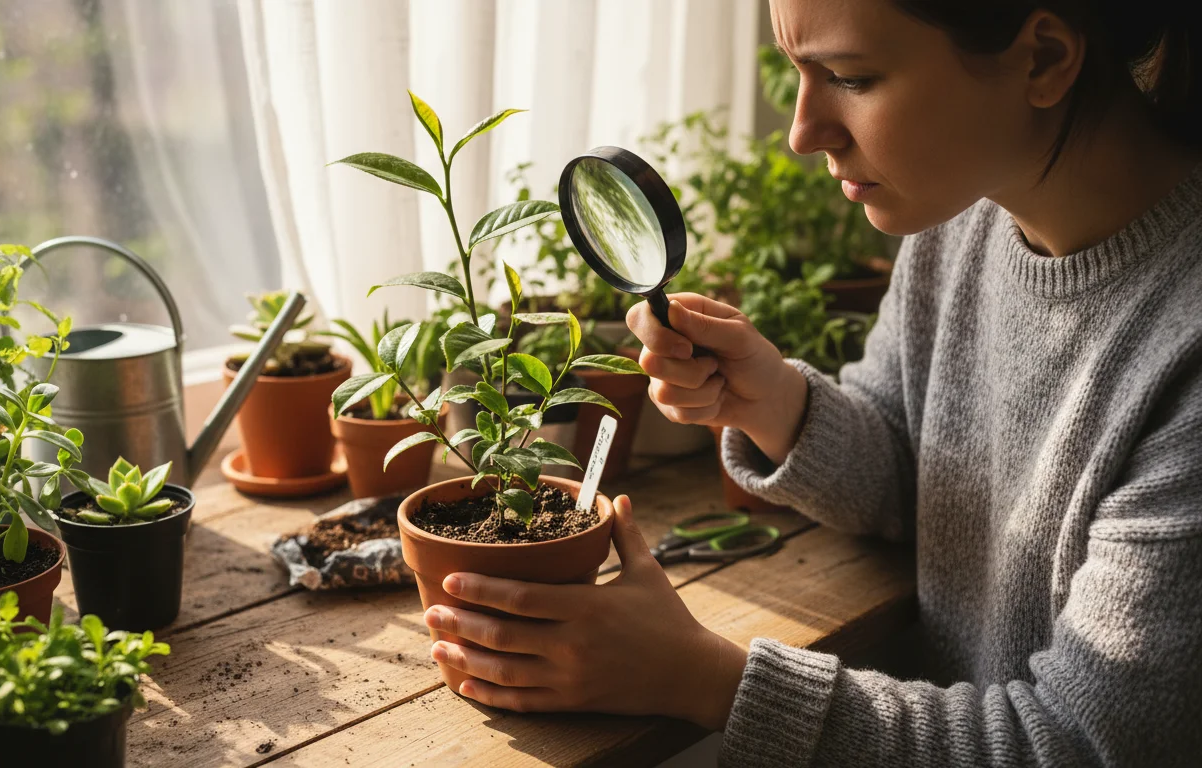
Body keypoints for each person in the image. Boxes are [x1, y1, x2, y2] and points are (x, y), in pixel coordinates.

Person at [420, 0, 1202, 764]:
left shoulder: (1184, 352)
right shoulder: (968, 216)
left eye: (851, 78)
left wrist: (699, 678)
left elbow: (1081, 745)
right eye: (796, 71)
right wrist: (779, 407)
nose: (801, 132)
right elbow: (920, 474)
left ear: (1044, 58)